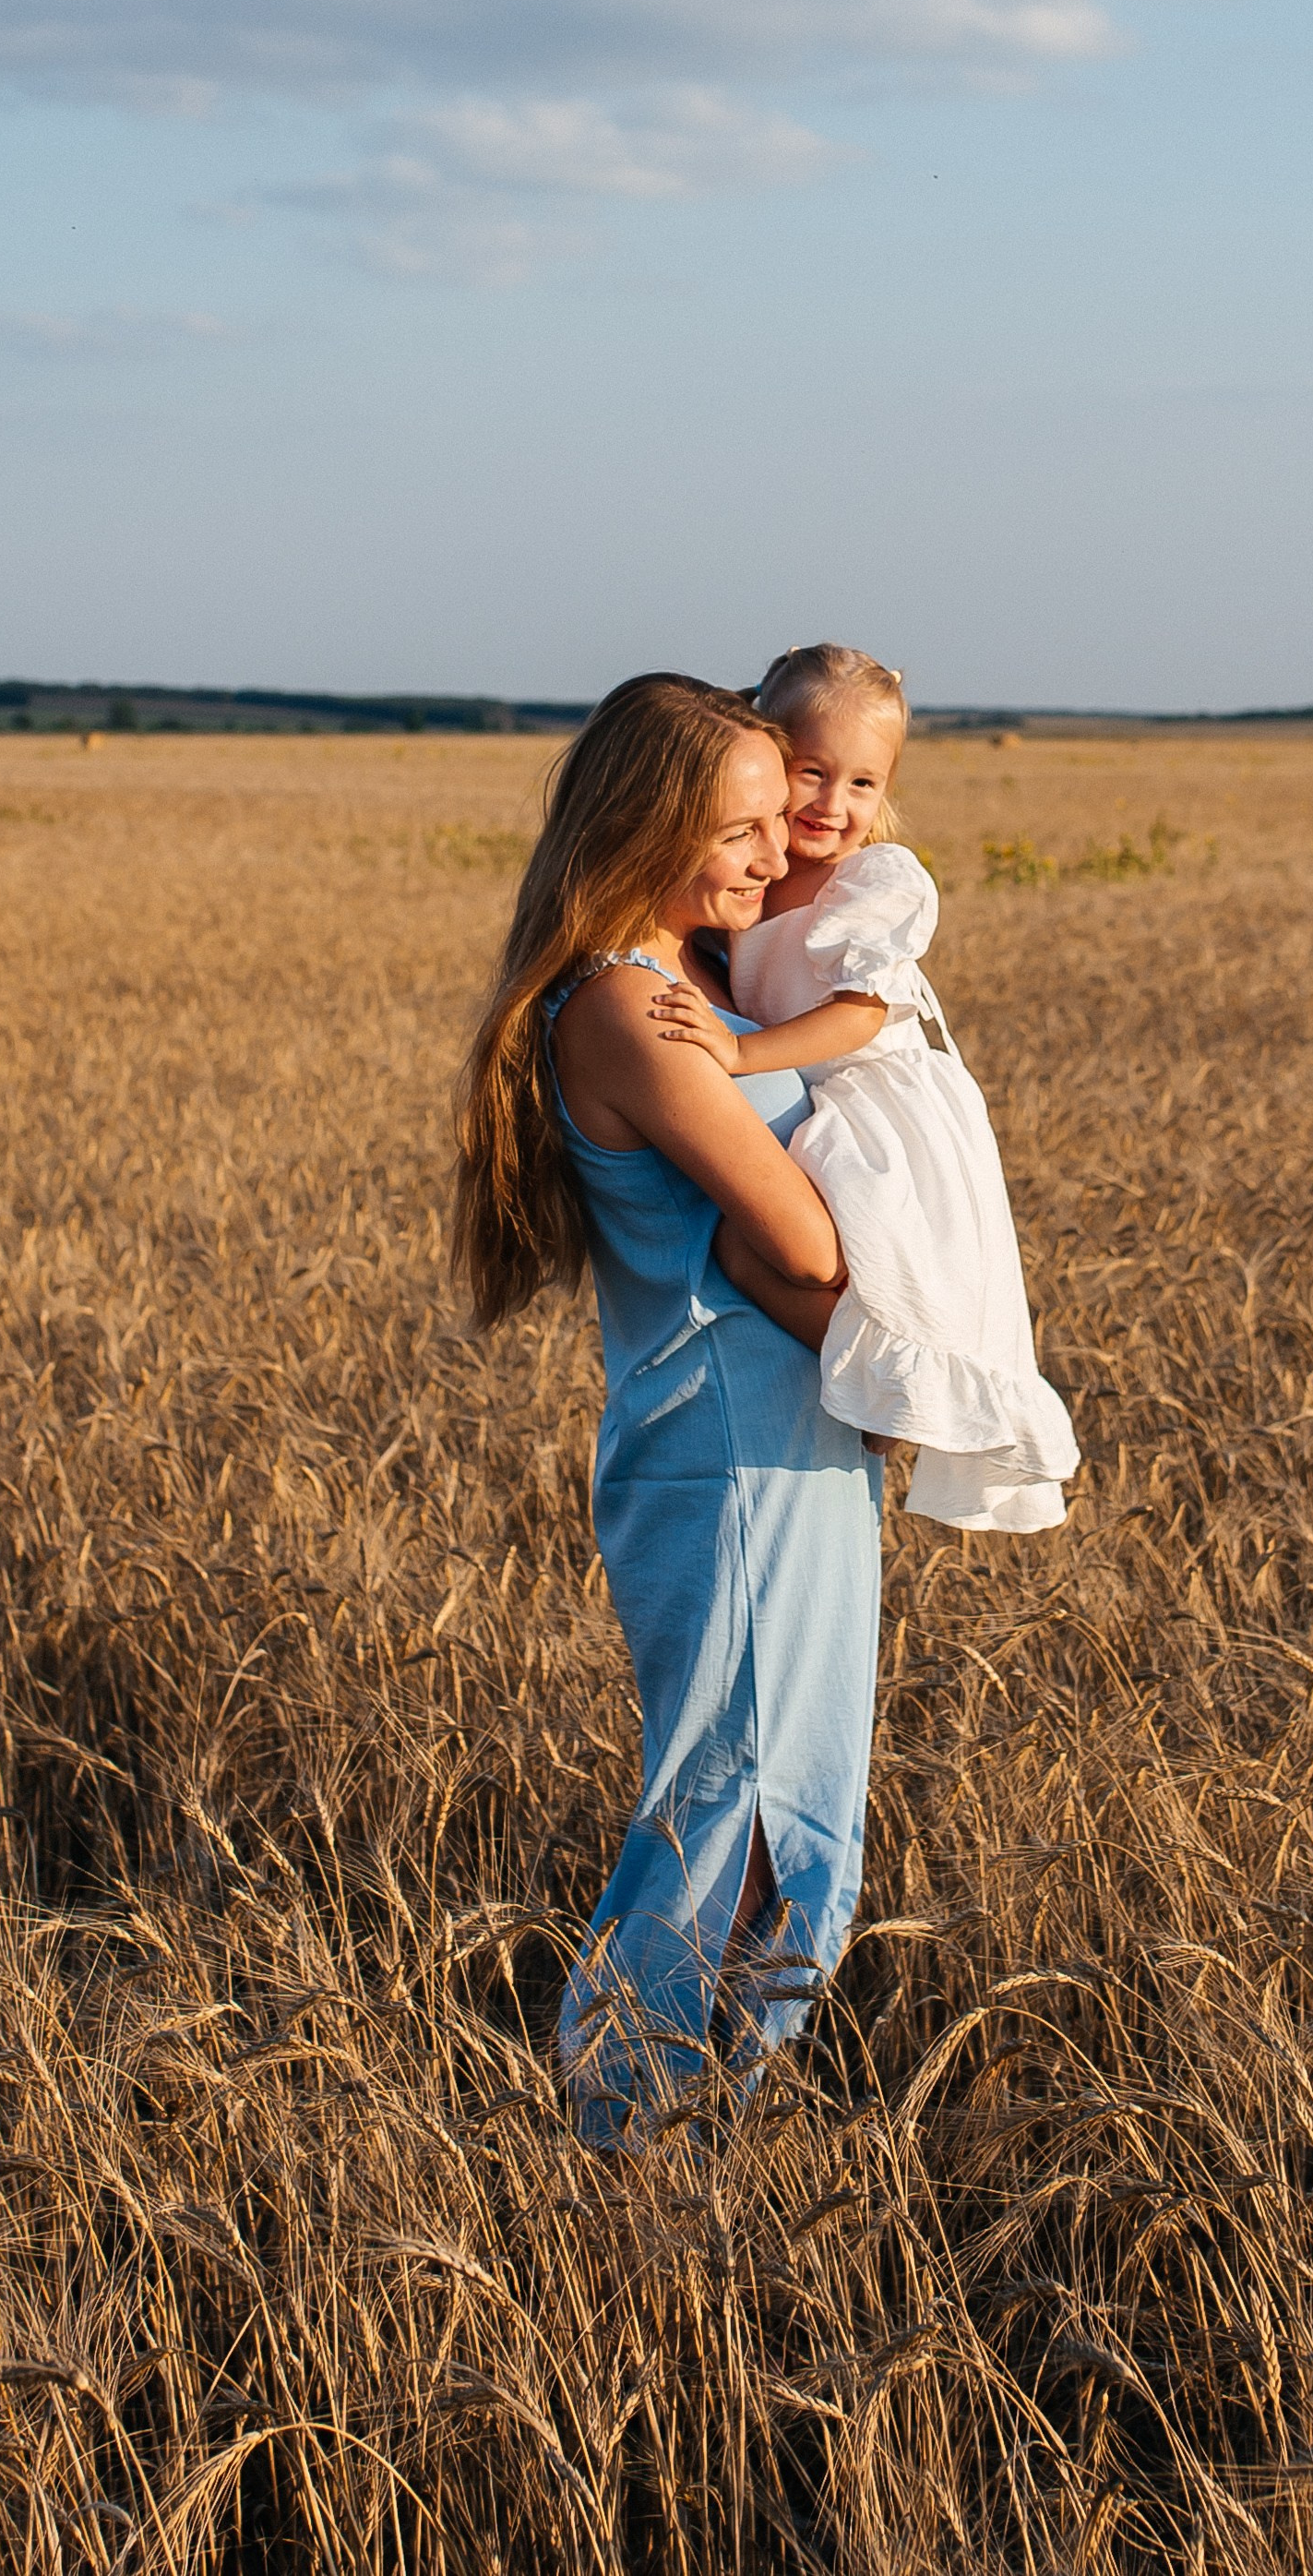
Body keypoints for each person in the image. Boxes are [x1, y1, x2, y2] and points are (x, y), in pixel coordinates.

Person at [450, 674, 883, 2146]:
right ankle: (625, 2145)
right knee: (736, 1811)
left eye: (785, 818)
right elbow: (807, 1244)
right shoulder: (631, 1009)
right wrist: (913, 1349)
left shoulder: (693, 978)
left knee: (790, 1801)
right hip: (728, 1448)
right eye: (744, 827)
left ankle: (702, 2134)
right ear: (648, 826)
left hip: (778, 1440)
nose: (779, 854)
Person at [648, 641, 1080, 1535]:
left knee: (794, 1255)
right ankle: (887, 1395)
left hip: (882, 1099)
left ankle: (899, 1399)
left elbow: (857, 1017)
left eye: (863, 785)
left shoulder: (876, 879)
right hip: (826, 1091)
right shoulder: (752, 875)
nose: (833, 806)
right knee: (815, 1255)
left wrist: (738, 1057)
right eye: (811, 773)